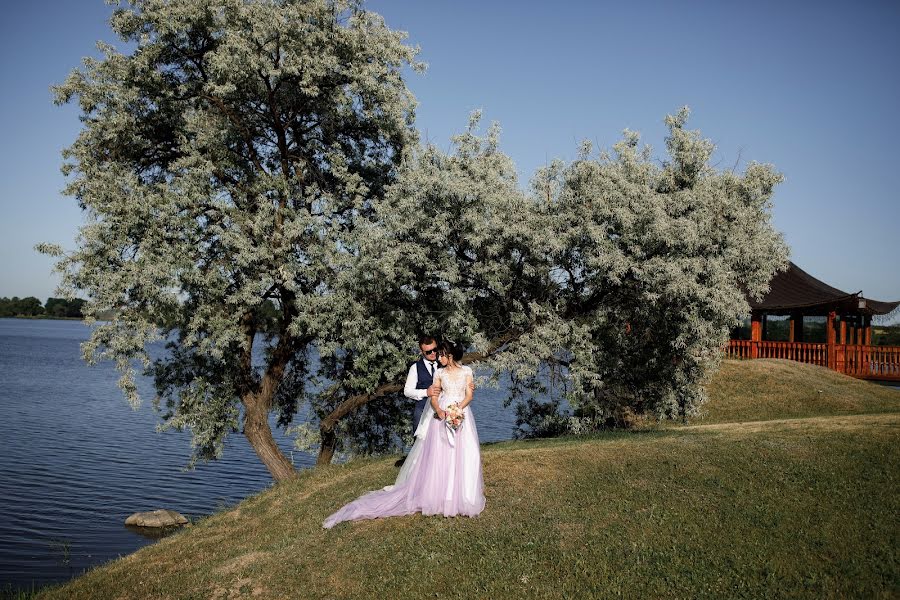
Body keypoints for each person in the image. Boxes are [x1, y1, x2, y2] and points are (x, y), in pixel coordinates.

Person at [322, 341, 485, 528]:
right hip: (441, 414)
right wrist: (440, 411)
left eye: (441, 354)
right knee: (441, 455)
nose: (438, 357)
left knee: (463, 452)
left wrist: (457, 409)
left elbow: (469, 395)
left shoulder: (467, 371)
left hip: (460, 413)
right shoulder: (438, 373)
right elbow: (433, 396)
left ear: (450, 355)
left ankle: (461, 494)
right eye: (436, 353)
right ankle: (440, 495)